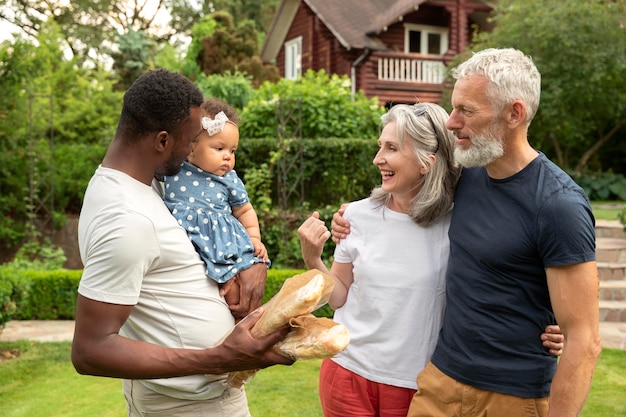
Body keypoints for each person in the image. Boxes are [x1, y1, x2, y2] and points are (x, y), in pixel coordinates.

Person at [332, 48, 600, 417]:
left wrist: (558, 333)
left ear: (514, 113)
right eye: (453, 107)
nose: (452, 122)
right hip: (440, 382)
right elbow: (408, 188)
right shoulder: (465, 176)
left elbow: (583, 340)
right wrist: (351, 217)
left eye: (466, 111)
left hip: (512, 395)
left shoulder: (558, 205)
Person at [299, 102, 564, 417]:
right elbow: (339, 295)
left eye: (391, 148)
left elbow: (505, 279)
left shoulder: (460, 223)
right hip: (346, 371)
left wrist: (548, 326)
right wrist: (312, 258)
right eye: (380, 146)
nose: (377, 158)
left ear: (427, 162)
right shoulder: (356, 215)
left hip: (417, 384)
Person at [72, 69, 292, 417]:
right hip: (184, 407)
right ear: (162, 141)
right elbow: (90, 350)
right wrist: (219, 358)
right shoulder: (126, 217)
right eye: (191, 140)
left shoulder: (147, 186)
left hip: (209, 398)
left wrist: (249, 261)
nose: (195, 152)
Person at [163, 98, 270, 310]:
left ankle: (244, 325)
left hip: (225, 245)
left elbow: (245, 210)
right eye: (219, 148)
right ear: (191, 149)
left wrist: (255, 239)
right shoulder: (173, 171)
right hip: (188, 245)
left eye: (232, 151)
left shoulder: (229, 178)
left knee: (237, 297)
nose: (227, 157)